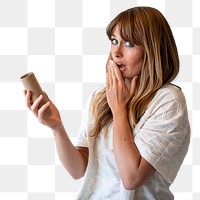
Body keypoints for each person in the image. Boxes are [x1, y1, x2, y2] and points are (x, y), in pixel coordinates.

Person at [24, 6, 190, 200]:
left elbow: (132, 178)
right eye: (114, 41)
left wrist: (119, 110)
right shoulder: (100, 96)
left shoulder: (168, 101)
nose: (116, 52)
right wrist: (57, 127)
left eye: (129, 43)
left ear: (152, 50)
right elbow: (78, 170)